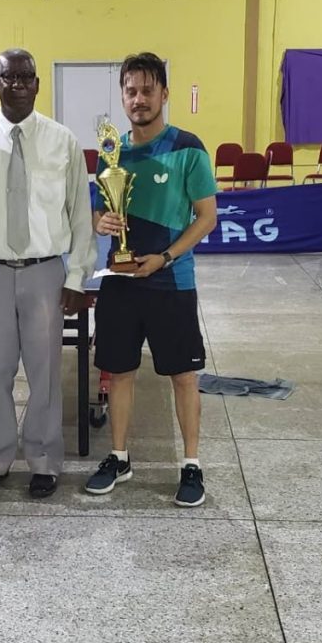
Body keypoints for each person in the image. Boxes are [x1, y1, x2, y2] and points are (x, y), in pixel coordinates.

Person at [0, 49, 96, 499]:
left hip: (45, 272)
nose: (19, 84)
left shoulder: (62, 141)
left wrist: (75, 279)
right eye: (10, 77)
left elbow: (81, 216)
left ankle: (44, 460)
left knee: (46, 371)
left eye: (27, 76)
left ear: (37, 84)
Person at [84, 52, 218, 508]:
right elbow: (101, 208)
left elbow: (206, 218)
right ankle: (119, 457)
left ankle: (192, 465)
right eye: (130, 90)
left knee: (183, 376)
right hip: (120, 283)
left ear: (164, 94)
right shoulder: (111, 152)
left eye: (147, 90)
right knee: (118, 372)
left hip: (171, 282)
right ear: (122, 95)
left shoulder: (188, 147)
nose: (138, 99)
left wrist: (165, 256)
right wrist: (99, 221)